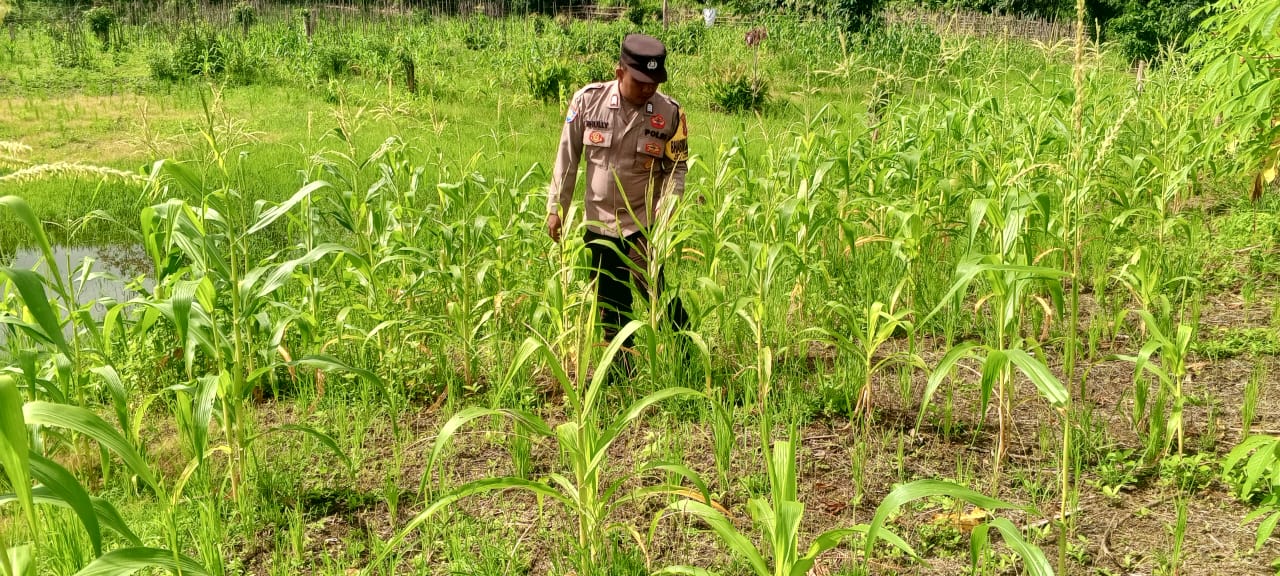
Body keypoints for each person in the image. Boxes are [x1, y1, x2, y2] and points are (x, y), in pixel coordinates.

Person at [545, 33, 690, 370]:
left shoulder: (670, 114)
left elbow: (676, 168)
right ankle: (621, 369)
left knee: (659, 294)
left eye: (654, 81)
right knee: (610, 300)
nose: (648, 88)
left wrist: (666, 209)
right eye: (640, 81)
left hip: (642, 224)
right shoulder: (586, 103)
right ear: (619, 72)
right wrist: (557, 208)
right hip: (599, 223)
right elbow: (567, 159)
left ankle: (686, 354)